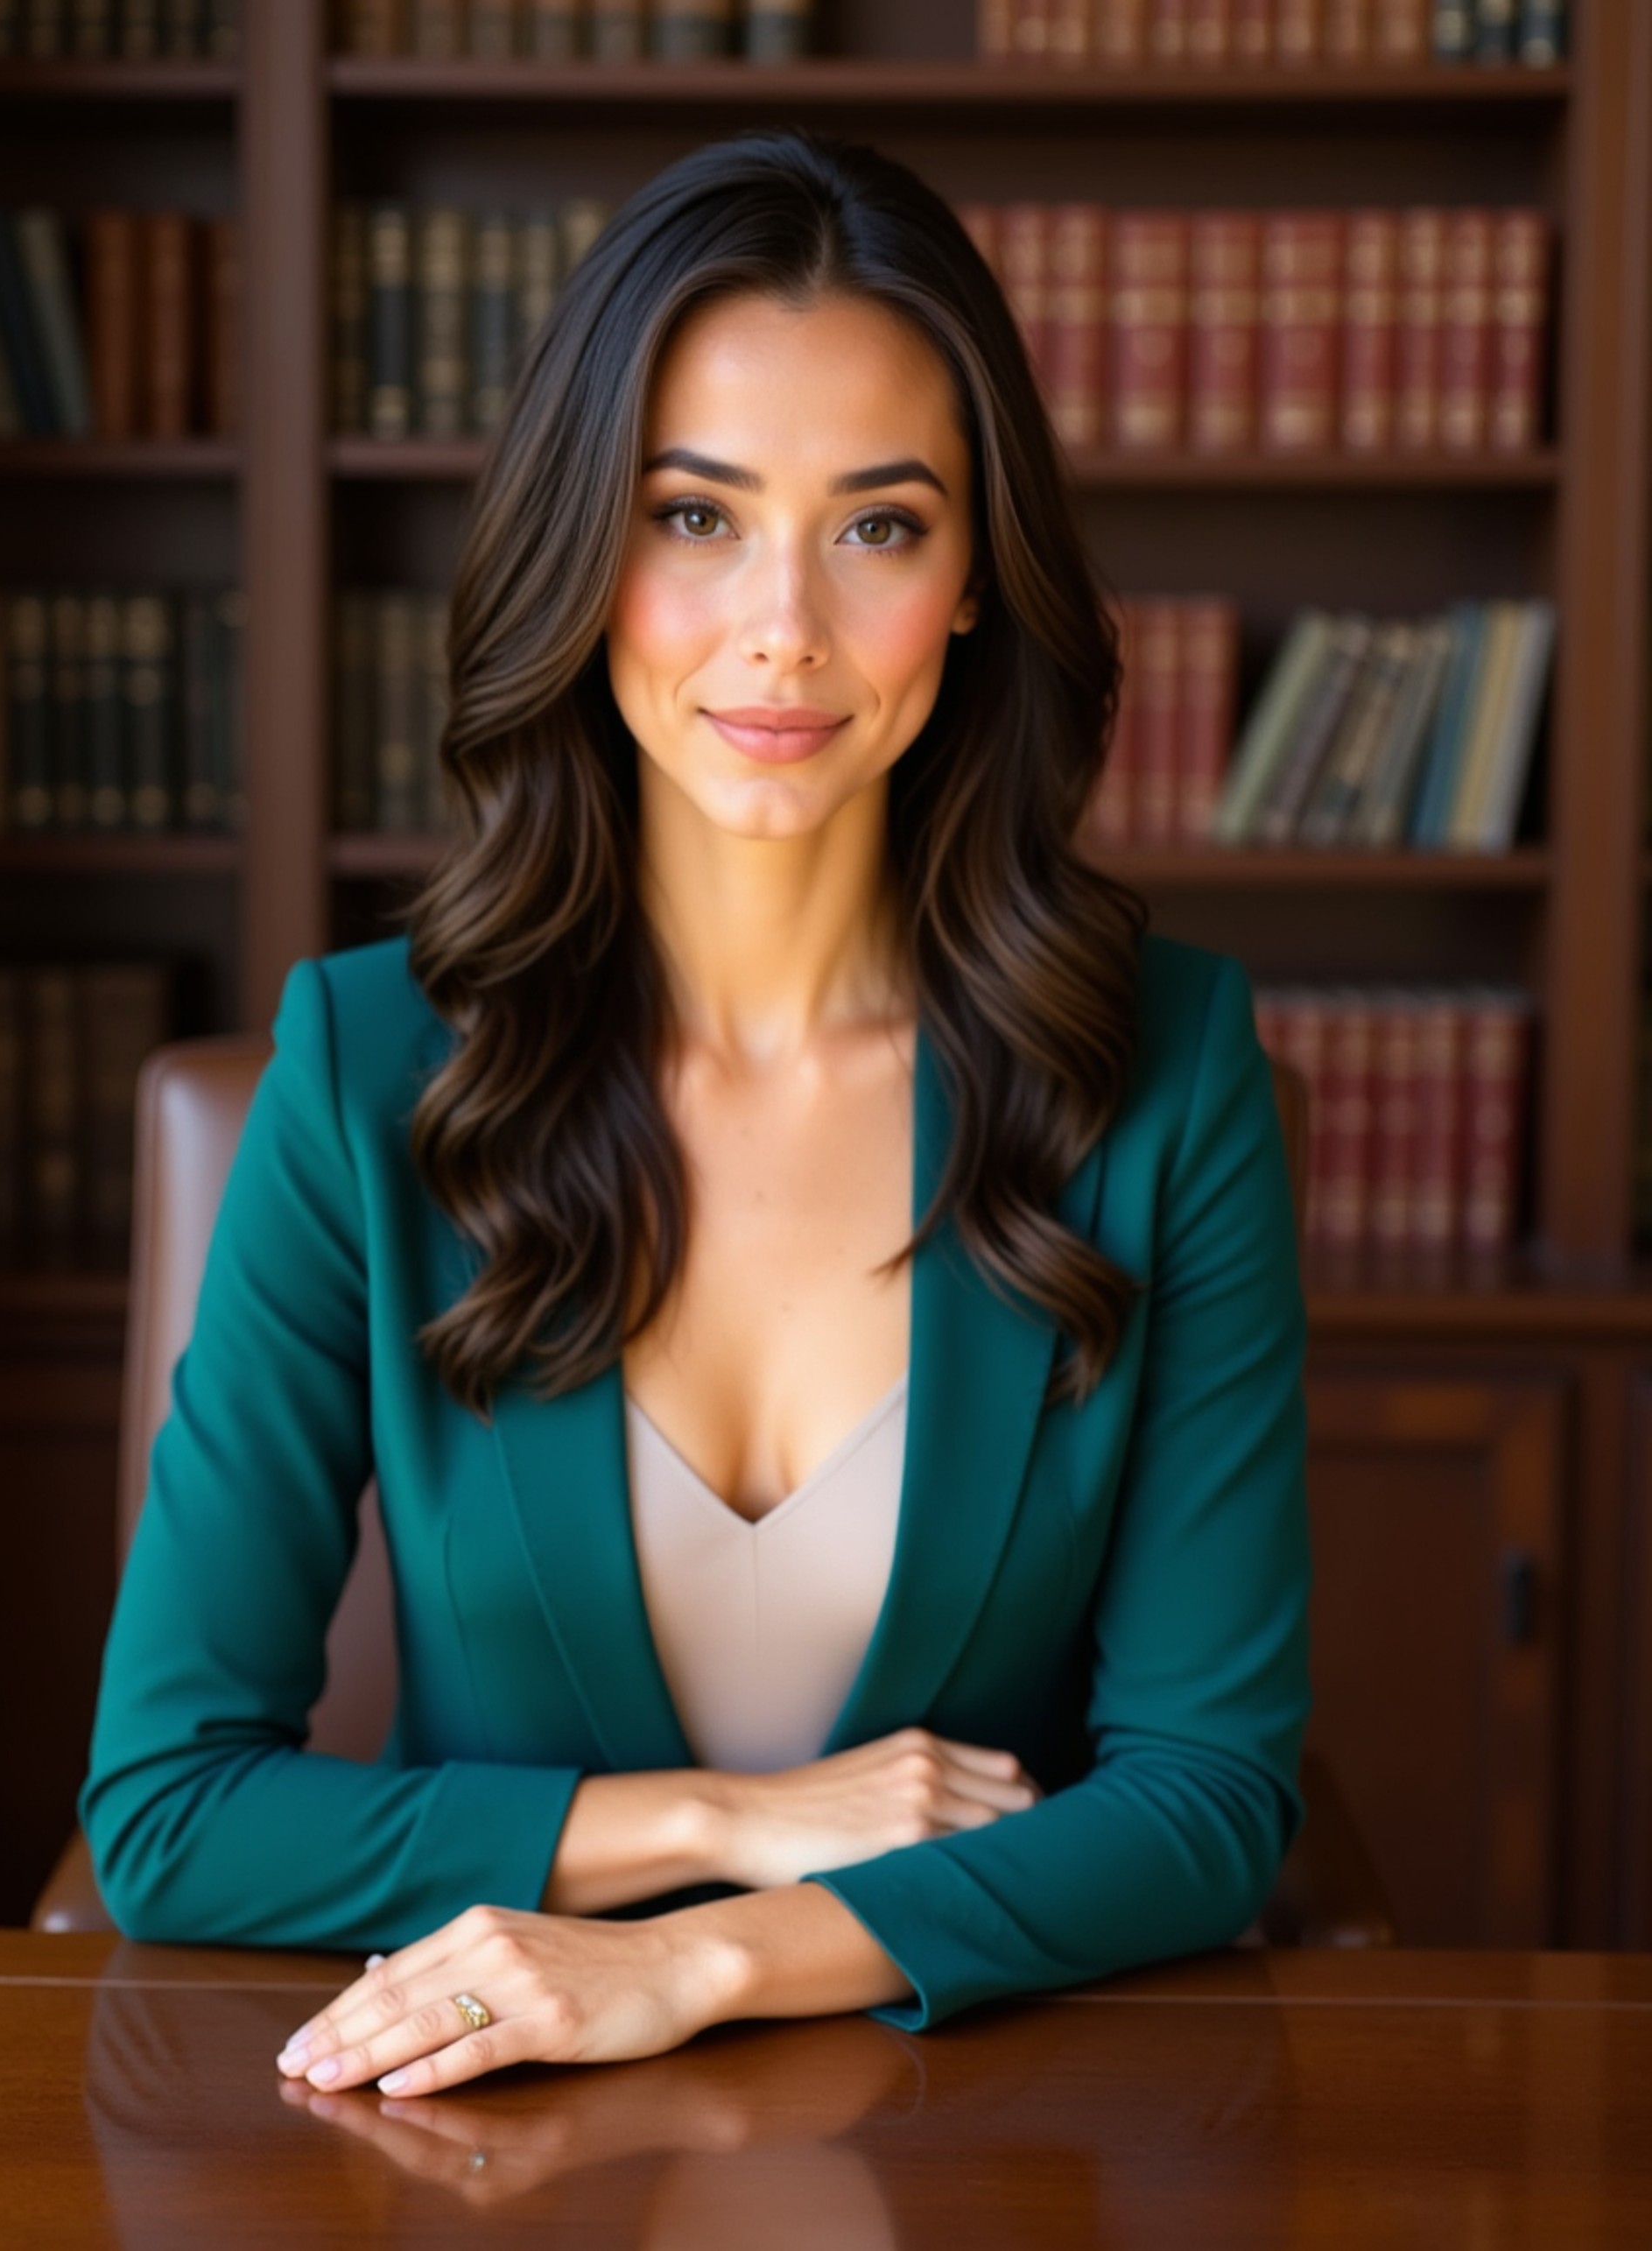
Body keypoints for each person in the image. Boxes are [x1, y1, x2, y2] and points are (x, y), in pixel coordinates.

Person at [79, 126, 1311, 2097]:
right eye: (695, 514)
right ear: (586, 542)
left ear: (978, 575)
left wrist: (713, 1959)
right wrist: (715, 1819)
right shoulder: (365, 1068)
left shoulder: (1165, 1074)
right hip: (471, 2127)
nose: (784, 630)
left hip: (983, 2125)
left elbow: (1204, 1793)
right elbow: (164, 1809)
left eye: (879, 527)